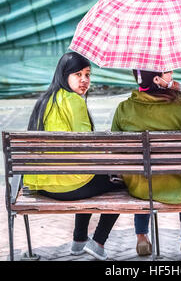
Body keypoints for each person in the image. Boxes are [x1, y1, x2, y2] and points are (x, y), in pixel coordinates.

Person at [23, 51, 124, 261]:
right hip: (68, 187)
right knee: (124, 182)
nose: (84, 80)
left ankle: (79, 241)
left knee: (89, 174)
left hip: (43, 185)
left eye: (87, 74)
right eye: (78, 74)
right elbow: (89, 146)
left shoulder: (45, 100)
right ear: (64, 75)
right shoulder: (73, 101)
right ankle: (98, 242)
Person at [111, 69, 181, 257]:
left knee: (143, 171)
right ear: (157, 79)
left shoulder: (124, 108)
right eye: (168, 73)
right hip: (179, 182)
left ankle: (142, 237)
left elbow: (115, 148)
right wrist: (179, 92)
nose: (173, 75)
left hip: (141, 185)